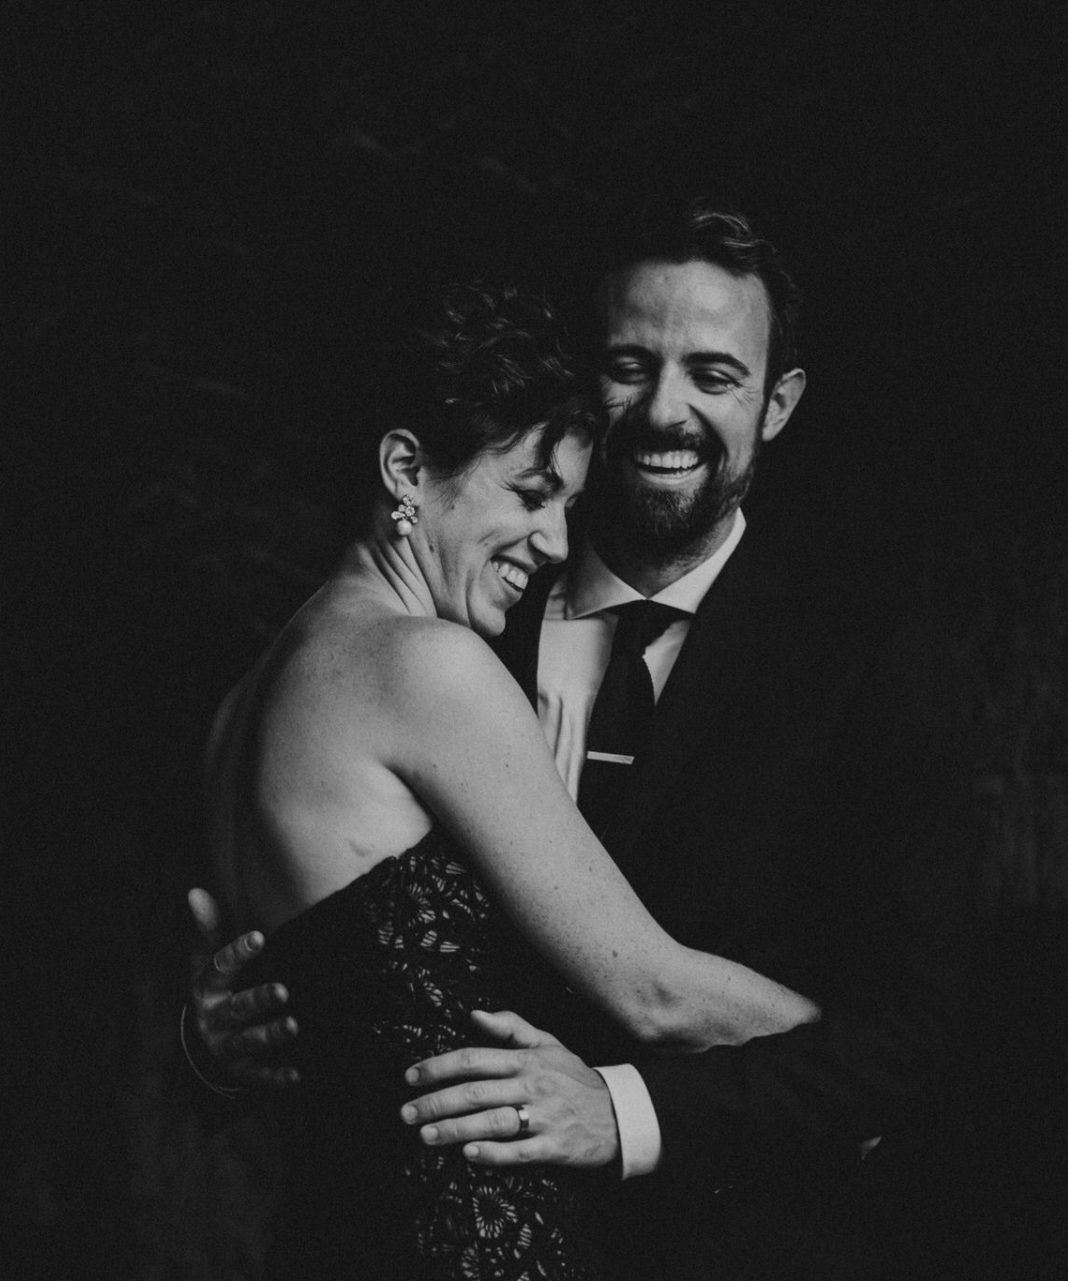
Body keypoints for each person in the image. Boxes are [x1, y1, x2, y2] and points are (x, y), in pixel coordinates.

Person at [189, 202, 963, 1278]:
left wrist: (641, 1106)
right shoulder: (457, 629)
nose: (666, 408)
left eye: (715, 374)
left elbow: (917, 1035)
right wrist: (215, 1050)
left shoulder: (868, 659)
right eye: (631, 364)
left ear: (778, 404)